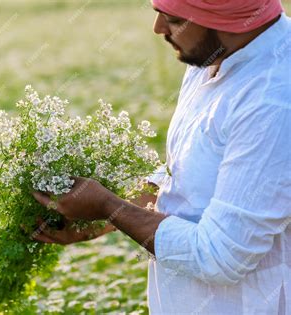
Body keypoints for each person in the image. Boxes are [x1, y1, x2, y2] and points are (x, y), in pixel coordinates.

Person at [32, 0, 291, 313]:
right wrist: (103, 220)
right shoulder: (216, 54)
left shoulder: (273, 101)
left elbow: (219, 255)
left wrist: (109, 206)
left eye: (174, 19)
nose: (158, 29)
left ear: (222, 16)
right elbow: (185, 177)